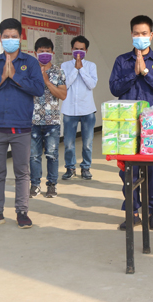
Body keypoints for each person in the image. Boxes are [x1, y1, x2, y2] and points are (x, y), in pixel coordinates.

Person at [0, 18, 44, 229]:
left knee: (22, 172)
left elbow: (38, 89)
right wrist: (1, 78)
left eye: (14, 36)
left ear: (21, 38)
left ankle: (22, 212)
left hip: (21, 128)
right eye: (6, 37)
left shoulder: (30, 63)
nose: (10, 40)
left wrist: (14, 77)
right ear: (0, 38)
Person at [109, 15, 153, 231]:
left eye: (144, 33)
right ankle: (133, 212)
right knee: (129, 170)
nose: (140, 37)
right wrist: (133, 73)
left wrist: (146, 72)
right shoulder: (122, 61)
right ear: (131, 34)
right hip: (127, 124)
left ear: (151, 35)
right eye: (136, 33)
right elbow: (114, 88)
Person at [29, 37, 67, 199]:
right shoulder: (30, 71)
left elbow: (63, 95)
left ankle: (52, 185)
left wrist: (47, 82)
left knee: (52, 155)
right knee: (34, 156)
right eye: (41, 51)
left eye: (47, 51)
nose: (44, 54)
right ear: (35, 53)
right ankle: (35, 184)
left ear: (52, 53)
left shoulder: (58, 72)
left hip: (52, 121)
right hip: (33, 120)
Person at [61, 35, 98, 181]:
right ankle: (70, 168)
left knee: (87, 143)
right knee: (69, 143)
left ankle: (86, 168)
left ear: (86, 50)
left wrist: (81, 69)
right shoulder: (64, 66)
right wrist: (75, 70)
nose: (78, 52)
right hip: (69, 110)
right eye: (76, 49)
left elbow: (91, 84)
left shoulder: (91, 66)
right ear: (71, 49)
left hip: (87, 109)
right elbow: (64, 85)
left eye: (81, 49)